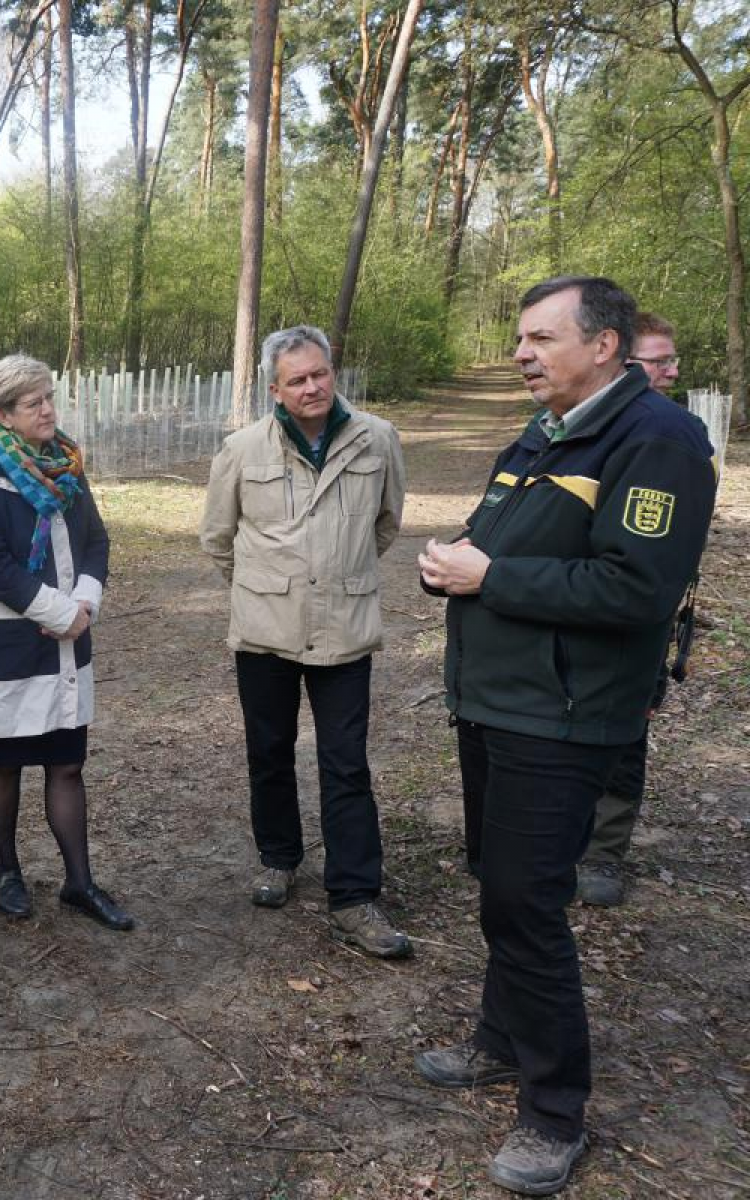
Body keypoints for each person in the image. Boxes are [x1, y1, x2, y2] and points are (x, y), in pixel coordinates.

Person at [416, 277, 714, 1196]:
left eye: (540, 337)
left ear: (607, 346)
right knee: (500, 889)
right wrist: (452, 566)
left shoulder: (656, 442)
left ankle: (554, 1111)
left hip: (564, 717)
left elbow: (634, 591)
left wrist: (487, 577)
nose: (521, 352)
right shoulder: (549, 431)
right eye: (519, 337)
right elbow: (494, 537)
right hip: (499, 703)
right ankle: (501, 1043)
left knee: (527, 904)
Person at [198, 324, 412, 959]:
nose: (313, 387)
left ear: (332, 372)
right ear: (275, 390)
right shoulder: (241, 449)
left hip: (344, 630)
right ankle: (279, 859)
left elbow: (386, 524)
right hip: (265, 632)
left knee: (346, 762)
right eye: (298, 380)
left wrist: (338, 580)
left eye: (320, 374)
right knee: (269, 751)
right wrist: (269, 588)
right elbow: (218, 538)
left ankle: (353, 896)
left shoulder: (377, 438)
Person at [0, 354, 131, 929]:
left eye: (49, 397)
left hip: (66, 638)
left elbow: (95, 540)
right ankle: (7, 871)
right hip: (5, 642)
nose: (49, 409)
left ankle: (79, 882)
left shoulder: (68, 464)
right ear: (4, 414)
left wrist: (85, 601)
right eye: (35, 402)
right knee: (3, 765)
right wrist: (56, 611)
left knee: (65, 764)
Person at [578, 311, 685, 907]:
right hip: (573, 608)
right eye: (659, 361)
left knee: (624, 737)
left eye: (671, 361)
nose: (670, 372)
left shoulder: (679, 433)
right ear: (619, 361)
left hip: (638, 617)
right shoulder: (575, 429)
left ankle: (603, 853)